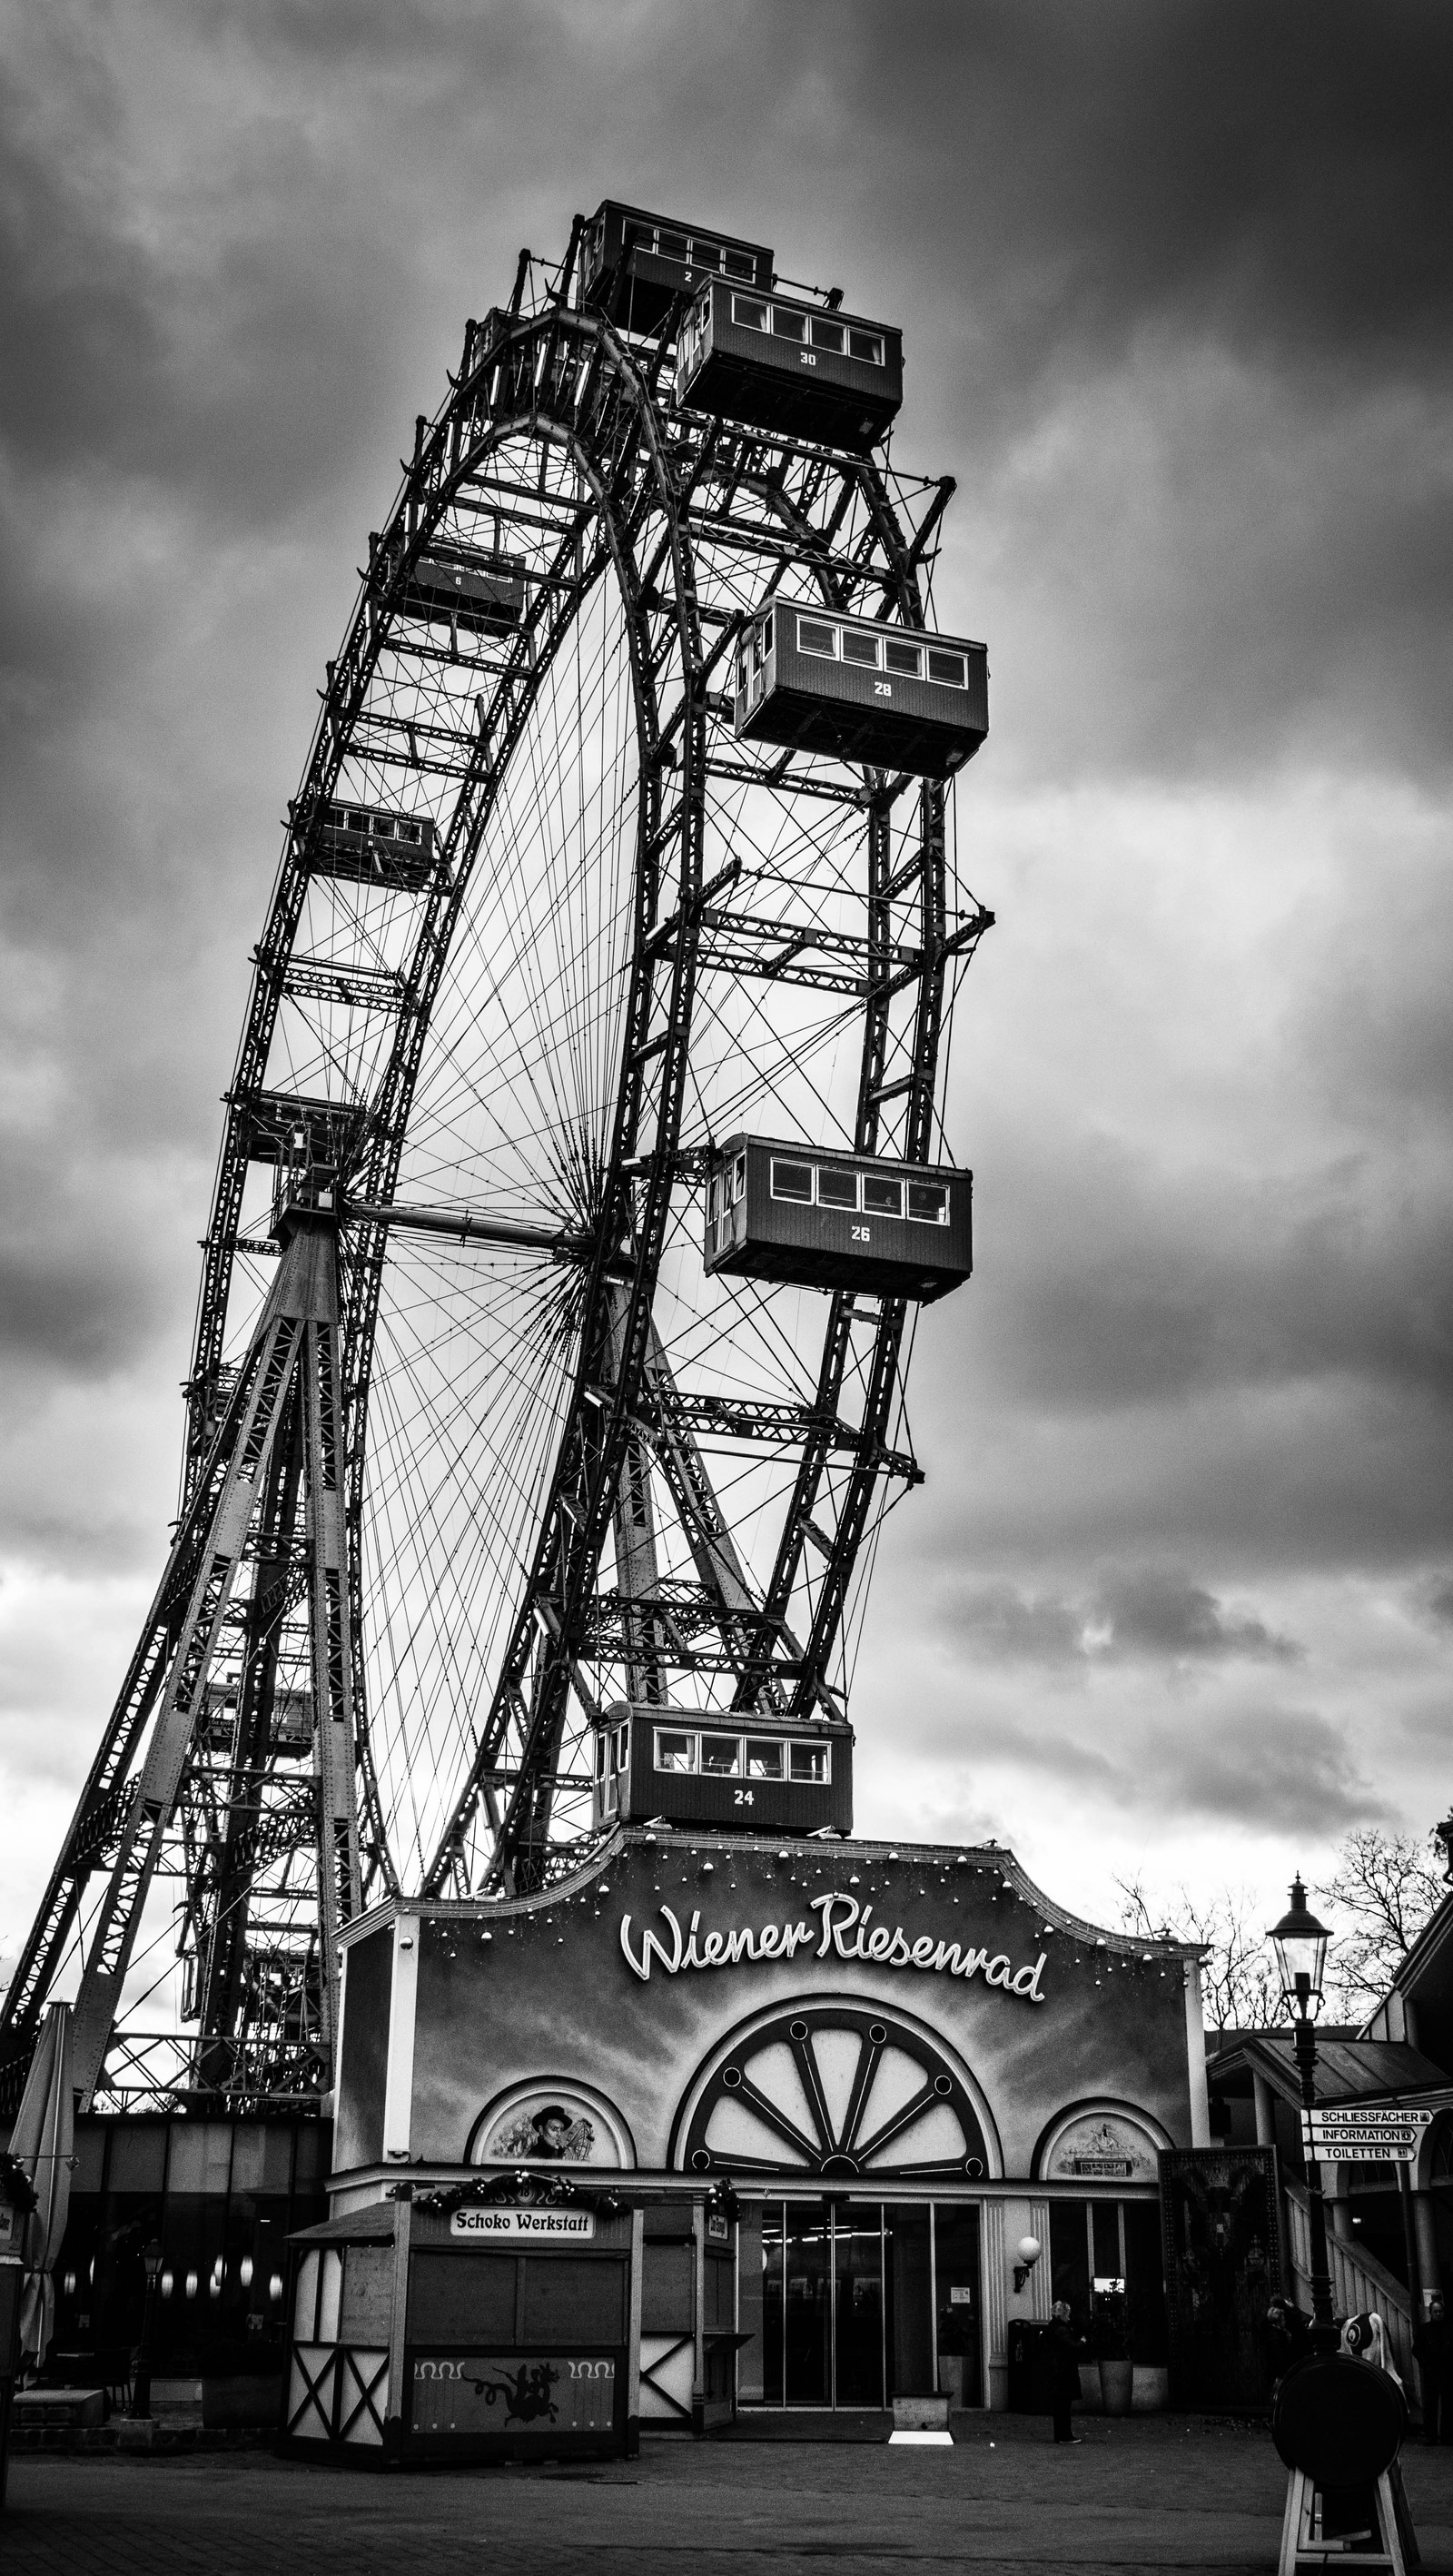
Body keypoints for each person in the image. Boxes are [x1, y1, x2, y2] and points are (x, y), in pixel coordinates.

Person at [1413, 2290, 1453, 2444]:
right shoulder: (1425, 2330)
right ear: (1430, 2313)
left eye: (1440, 2311)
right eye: (1435, 2311)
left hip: (1446, 2371)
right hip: (1432, 2371)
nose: (1438, 2314)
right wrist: (1425, 2364)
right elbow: (1416, 2350)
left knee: (1448, 2404)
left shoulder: (1449, 2329)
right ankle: (1432, 2436)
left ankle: (1446, 2435)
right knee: (1431, 2405)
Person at [1048, 2299, 1084, 2444]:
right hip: (1064, 2371)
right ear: (1063, 2314)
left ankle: (1060, 2434)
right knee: (1064, 2405)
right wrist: (1082, 2343)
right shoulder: (1062, 2329)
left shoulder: (1052, 2327)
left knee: (1059, 2406)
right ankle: (1065, 2435)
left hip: (1055, 2370)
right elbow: (1071, 2348)